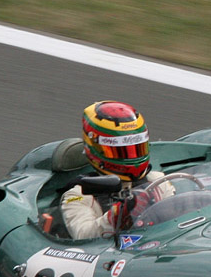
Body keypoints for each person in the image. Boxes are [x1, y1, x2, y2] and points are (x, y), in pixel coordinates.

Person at [60, 101, 169, 239]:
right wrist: (117, 215)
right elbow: (83, 234)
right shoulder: (79, 195)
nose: (131, 157)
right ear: (96, 149)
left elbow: (181, 216)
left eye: (136, 149)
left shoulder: (158, 181)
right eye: (121, 151)